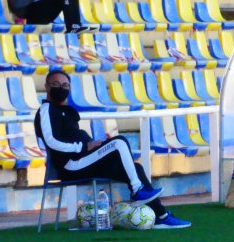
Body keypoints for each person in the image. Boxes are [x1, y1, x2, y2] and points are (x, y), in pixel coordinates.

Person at [34, 70, 191, 229]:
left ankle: (161, 216)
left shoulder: (64, 111)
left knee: (136, 168)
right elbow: (51, 141)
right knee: (119, 142)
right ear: (46, 87)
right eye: (56, 84)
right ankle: (137, 190)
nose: (61, 88)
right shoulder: (46, 110)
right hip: (72, 165)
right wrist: (83, 146)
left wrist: (90, 145)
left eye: (65, 85)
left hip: (84, 160)